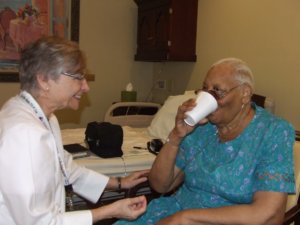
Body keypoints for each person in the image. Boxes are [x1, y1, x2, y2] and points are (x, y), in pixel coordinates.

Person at [114, 58, 295, 225]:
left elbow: (270, 214)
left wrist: (185, 219)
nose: (209, 98)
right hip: (172, 212)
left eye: (217, 91)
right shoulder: (202, 127)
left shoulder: (273, 132)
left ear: (245, 94)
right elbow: (160, 185)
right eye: (205, 89)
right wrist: (176, 136)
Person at [0, 36, 148, 225]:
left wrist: (120, 182)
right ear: (44, 79)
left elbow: (65, 168)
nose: (85, 86)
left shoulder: (41, 115)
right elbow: (36, 223)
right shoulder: (24, 135)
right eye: (78, 77)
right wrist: (109, 211)